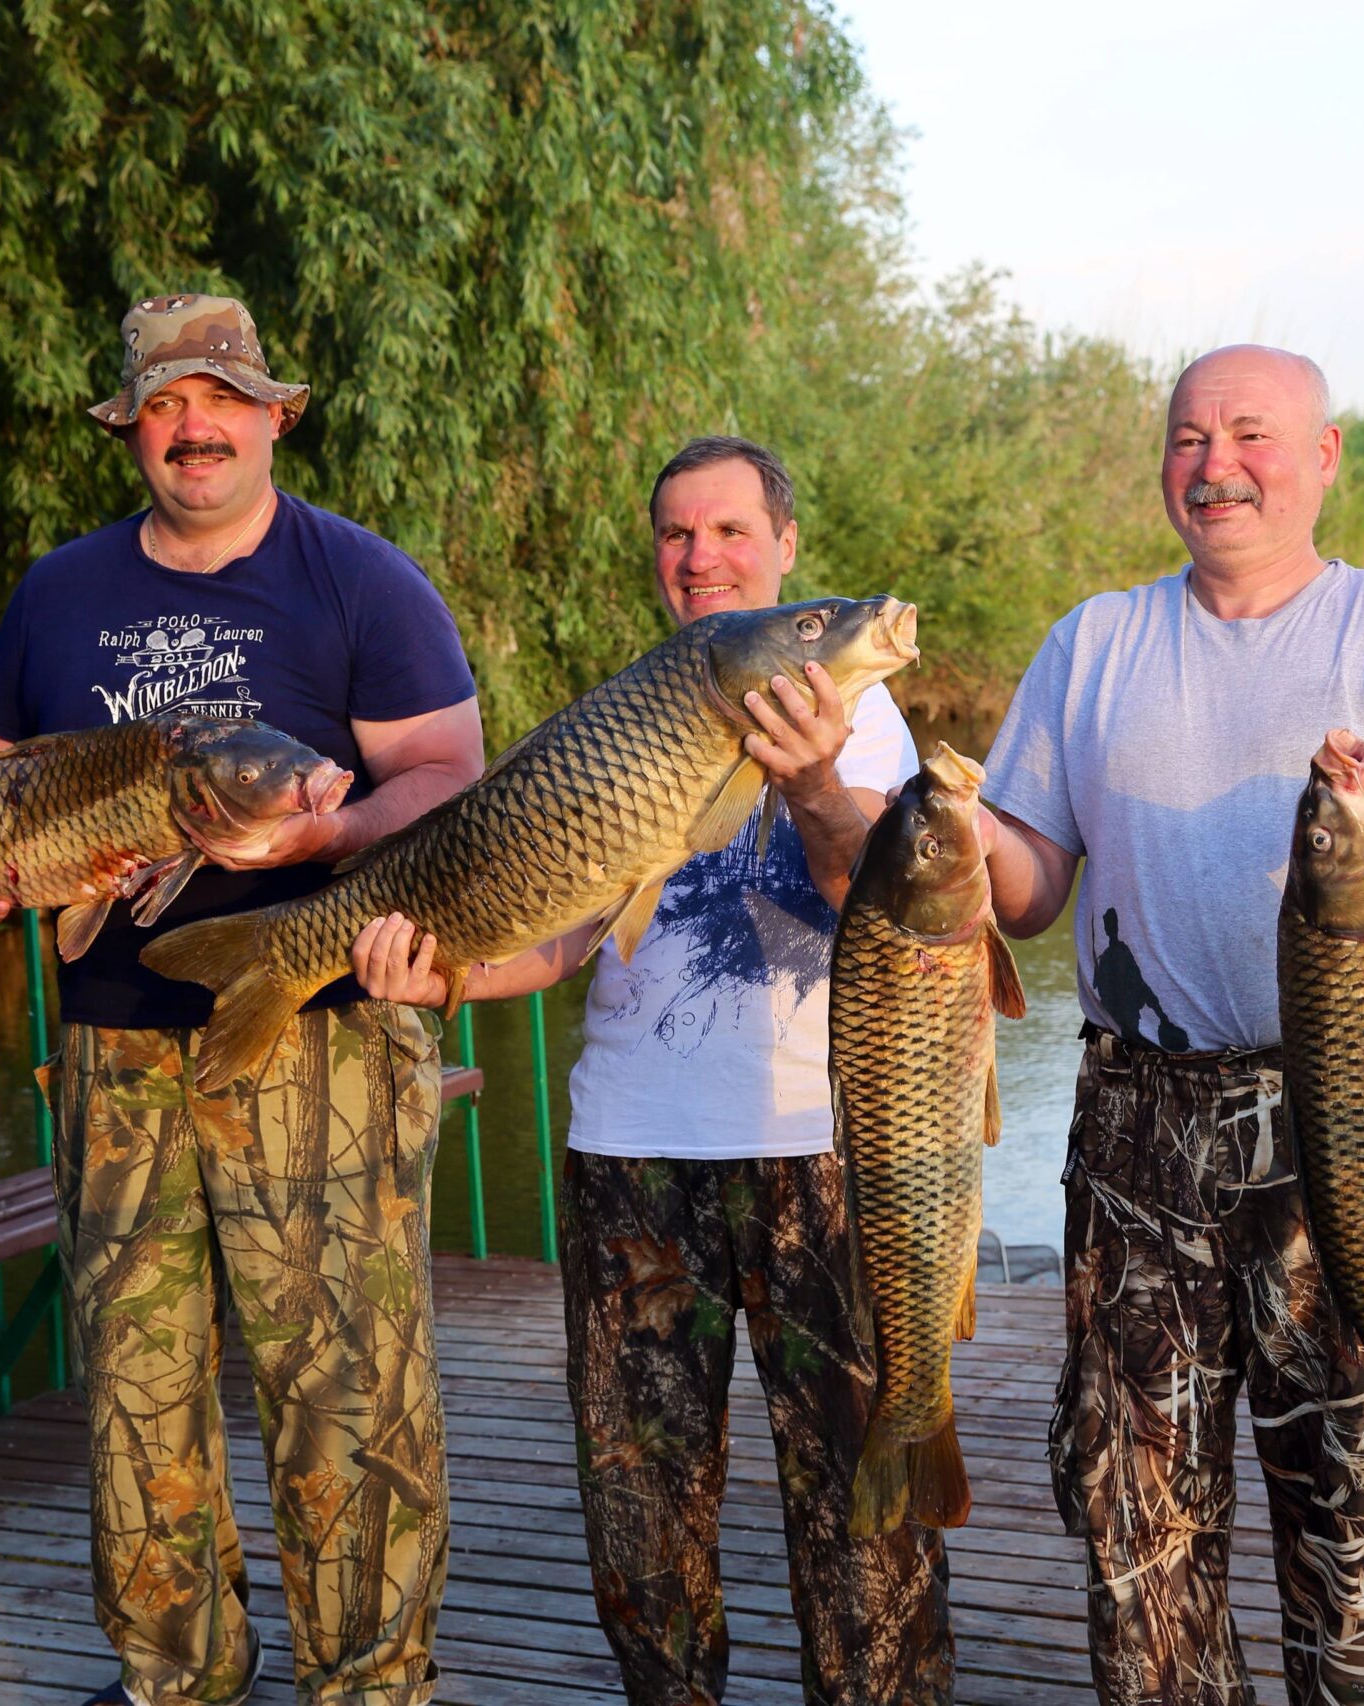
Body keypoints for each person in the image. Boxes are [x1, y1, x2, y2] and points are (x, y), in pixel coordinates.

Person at [0, 294, 484, 1706]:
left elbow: (443, 776)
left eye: (221, 397)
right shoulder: (57, 593)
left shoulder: (362, 580)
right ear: (131, 430)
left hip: (320, 1033)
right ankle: (179, 1675)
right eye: (165, 405)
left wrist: (321, 839)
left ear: (273, 415)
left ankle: (371, 1681)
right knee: (136, 1385)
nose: (195, 427)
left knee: (343, 1386)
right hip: (115, 1047)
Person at [350, 437, 956, 1705]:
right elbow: (562, 936)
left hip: (818, 1145)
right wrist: (440, 972)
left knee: (860, 1521)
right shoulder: (629, 710)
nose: (701, 559)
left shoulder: (869, 713)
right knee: (642, 1519)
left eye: (730, 531)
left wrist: (811, 781)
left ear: (785, 544)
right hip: (627, 1147)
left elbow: (890, 913)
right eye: (677, 536)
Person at [977, 345, 1364, 1705]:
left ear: (1325, 457)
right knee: (1136, 1518)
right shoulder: (1095, 640)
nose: (1215, 463)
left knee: (1354, 1518)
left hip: (1350, 1125)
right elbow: (1033, 887)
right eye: (1187, 437)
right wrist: (925, 830)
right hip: (1136, 1127)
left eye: (1251, 434)